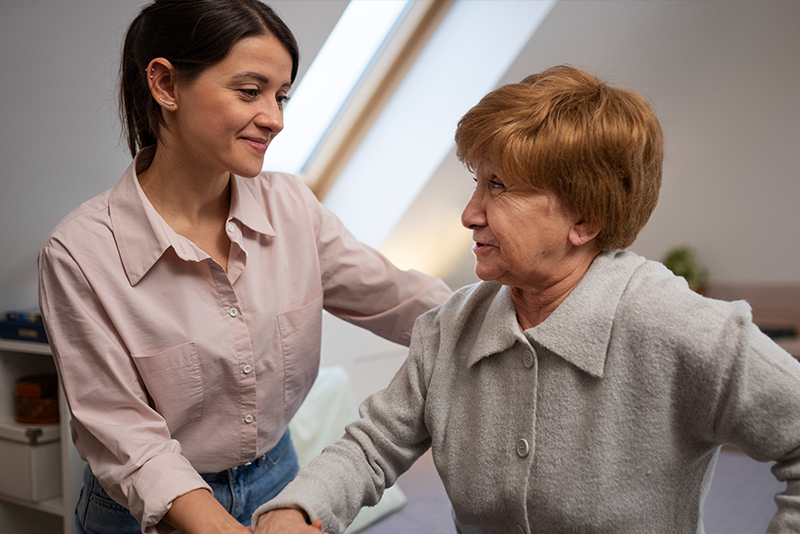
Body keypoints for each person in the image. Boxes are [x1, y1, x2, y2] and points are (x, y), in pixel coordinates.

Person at [252, 65, 800, 533]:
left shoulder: (679, 326)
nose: (469, 213)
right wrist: (299, 509)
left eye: (499, 186)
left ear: (584, 219)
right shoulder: (451, 327)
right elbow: (371, 448)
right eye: (477, 182)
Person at [36, 1, 451, 533]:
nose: (275, 119)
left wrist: (528, 306)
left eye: (281, 97)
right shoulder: (80, 254)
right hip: (146, 511)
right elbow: (124, 433)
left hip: (278, 478)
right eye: (250, 92)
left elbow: (402, 300)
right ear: (164, 85)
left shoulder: (292, 207)